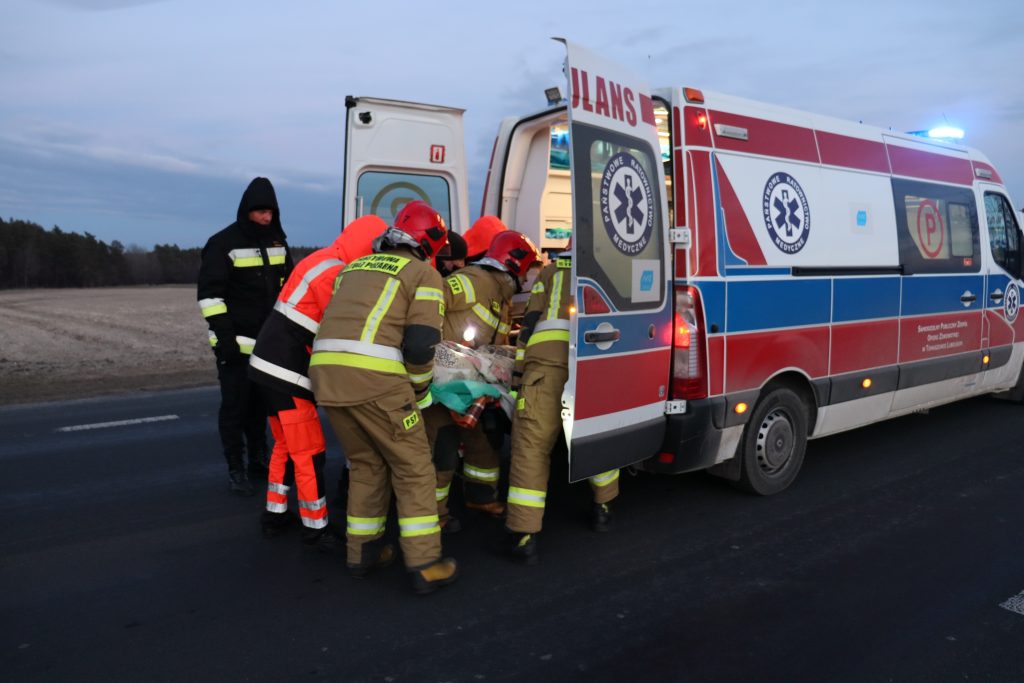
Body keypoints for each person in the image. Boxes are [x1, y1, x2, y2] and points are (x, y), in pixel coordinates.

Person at [309, 200, 458, 594]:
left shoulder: (352, 268)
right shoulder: (423, 274)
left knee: (365, 465)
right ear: (430, 244)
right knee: (414, 470)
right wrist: (422, 389)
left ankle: (363, 553)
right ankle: (425, 563)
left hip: (327, 379)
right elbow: (422, 343)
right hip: (377, 383)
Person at [249, 215, 386, 548]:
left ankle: (275, 514)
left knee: (284, 446)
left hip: (266, 367)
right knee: (310, 453)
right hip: (287, 371)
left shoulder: (324, 258)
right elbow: (342, 325)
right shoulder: (335, 272)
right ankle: (316, 528)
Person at [504, 246, 620, 563]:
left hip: (542, 368)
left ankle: (524, 536)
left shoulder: (549, 271)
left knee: (531, 449)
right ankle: (603, 508)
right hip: (590, 366)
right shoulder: (609, 268)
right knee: (595, 437)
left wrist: (517, 382)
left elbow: (527, 326)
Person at [425, 228, 539, 532]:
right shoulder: (474, 280)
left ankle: (481, 497)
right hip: (441, 383)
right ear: (512, 263)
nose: (527, 279)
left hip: (468, 386)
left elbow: (492, 348)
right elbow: (433, 298)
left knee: (481, 447)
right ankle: (433, 518)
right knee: (443, 450)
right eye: (526, 270)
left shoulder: (501, 298)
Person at [198, 177, 293, 496]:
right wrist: (226, 343)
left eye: (270, 211)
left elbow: (290, 289)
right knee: (235, 410)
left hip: (269, 348)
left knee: (261, 409)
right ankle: (235, 468)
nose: (265, 218)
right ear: (247, 210)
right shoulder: (223, 243)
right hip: (234, 348)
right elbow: (210, 297)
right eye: (259, 212)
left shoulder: (279, 241)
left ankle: (258, 460)